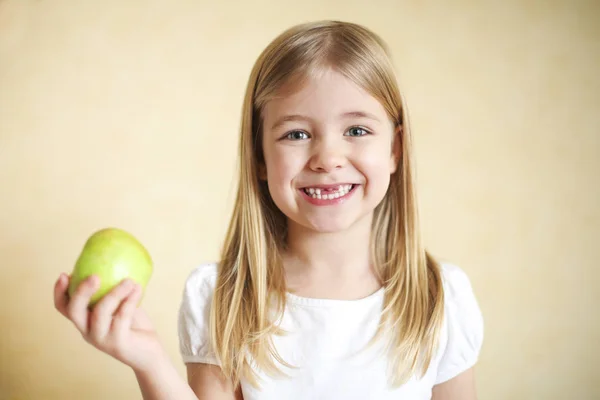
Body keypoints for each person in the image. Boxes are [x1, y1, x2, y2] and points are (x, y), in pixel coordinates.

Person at [54, 19, 484, 400]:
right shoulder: (223, 297)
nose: (327, 157)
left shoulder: (440, 297)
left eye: (356, 129)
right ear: (258, 157)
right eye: (296, 134)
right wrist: (148, 360)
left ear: (395, 149)